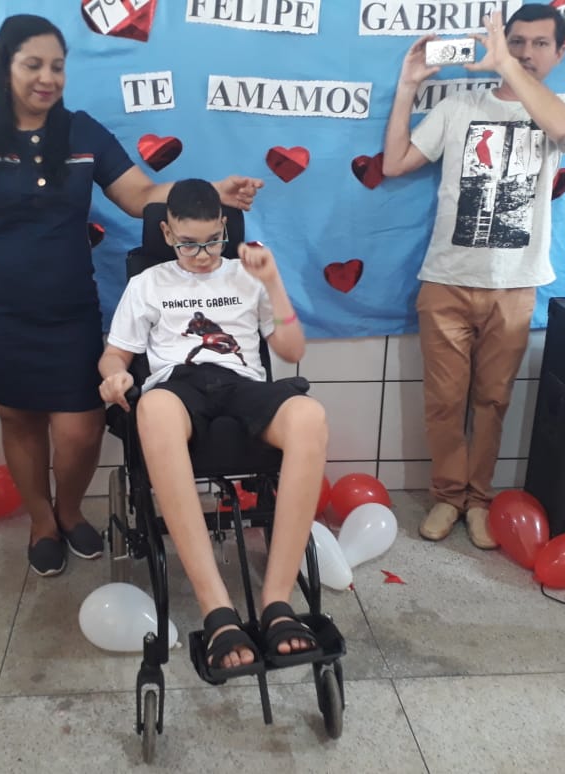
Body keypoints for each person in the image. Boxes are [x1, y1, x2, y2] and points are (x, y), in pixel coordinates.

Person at [0, 15, 262, 578]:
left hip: (68, 309)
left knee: (80, 428)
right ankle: (40, 522)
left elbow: (139, 195)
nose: (47, 78)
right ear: (5, 65)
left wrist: (210, 191)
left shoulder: (81, 133)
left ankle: (69, 509)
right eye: (32, 64)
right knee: (19, 419)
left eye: (57, 66)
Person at [99, 179, 327, 678]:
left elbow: (292, 351)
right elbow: (116, 353)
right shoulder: (149, 283)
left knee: (309, 414)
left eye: (211, 242)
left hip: (241, 382)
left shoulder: (248, 275)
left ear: (225, 228)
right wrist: (113, 373)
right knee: (152, 410)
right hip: (179, 389)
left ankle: (277, 603)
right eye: (187, 244)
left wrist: (273, 283)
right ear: (167, 232)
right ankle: (218, 611)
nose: (201, 256)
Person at [381, 5, 565, 549]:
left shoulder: (561, 107)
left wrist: (506, 66)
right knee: (446, 400)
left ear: (560, 54)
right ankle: (449, 496)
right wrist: (407, 86)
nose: (525, 53)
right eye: (516, 42)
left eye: (540, 44)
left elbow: (563, 132)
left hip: (515, 284)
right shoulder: (459, 105)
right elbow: (393, 163)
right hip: (446, 278)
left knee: (493, 399)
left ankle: (479, 499)